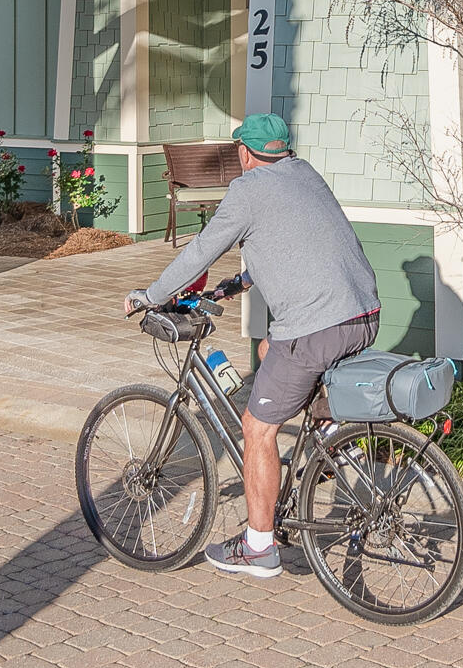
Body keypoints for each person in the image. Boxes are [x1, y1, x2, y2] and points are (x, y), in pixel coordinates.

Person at [129, 113, 379, 579]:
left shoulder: (247, 190)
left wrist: (151, 295)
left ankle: (259, 547)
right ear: (282, 148)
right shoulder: (304, 173)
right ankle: (330, 437)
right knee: (269, 350)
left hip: (317, 327)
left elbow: (202, 249)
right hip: (363, 315)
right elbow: (301, 240)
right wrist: (241, 281)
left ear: (245, 153)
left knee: (257, 428)